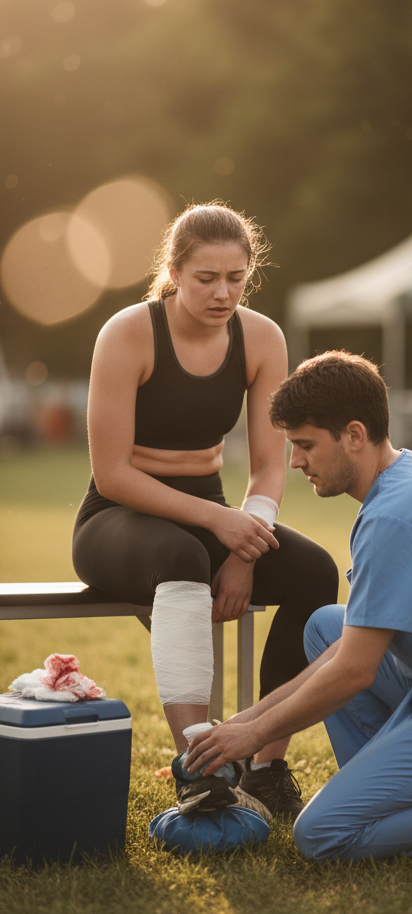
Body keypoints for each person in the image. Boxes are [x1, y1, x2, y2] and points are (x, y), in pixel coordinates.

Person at [184, 350, 412, 861]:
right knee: (326, 627)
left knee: (322, 836)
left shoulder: (396, 516)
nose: (295, 462)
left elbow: (355, 671)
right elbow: (344, 651)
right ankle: (392, 791)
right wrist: (245, 721)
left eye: (306, 445)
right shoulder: (410, 475)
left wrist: (254, 736)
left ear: (355, 436)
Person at [72, 203, 339, 818]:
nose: (223, 293)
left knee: (313, 571)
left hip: (215, 517)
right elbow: (113, 473)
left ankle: (269, 764)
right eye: (206, 279)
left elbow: (271, 466)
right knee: (181, 554)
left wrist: (245, 546)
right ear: (174, 270)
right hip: (117, 519)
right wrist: (221, 525)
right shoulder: (128, 333)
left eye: (236, 278)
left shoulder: (262, 337)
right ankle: (198, 769)